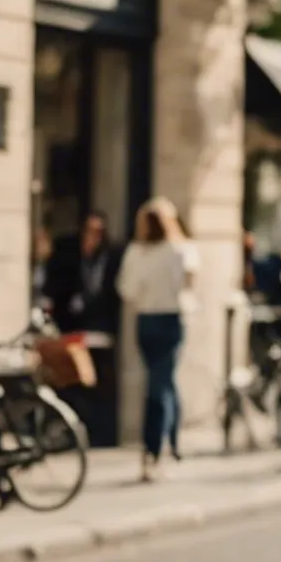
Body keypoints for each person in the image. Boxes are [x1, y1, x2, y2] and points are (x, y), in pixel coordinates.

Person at [118, 197, 198, 481]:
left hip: (147, 320)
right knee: (160, 383)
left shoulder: (136, 254)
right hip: (170, 319)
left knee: (159, 382)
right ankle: (158, 447)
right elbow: (190, 283)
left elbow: (127, 291)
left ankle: (166, 443)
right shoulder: (180, 250)